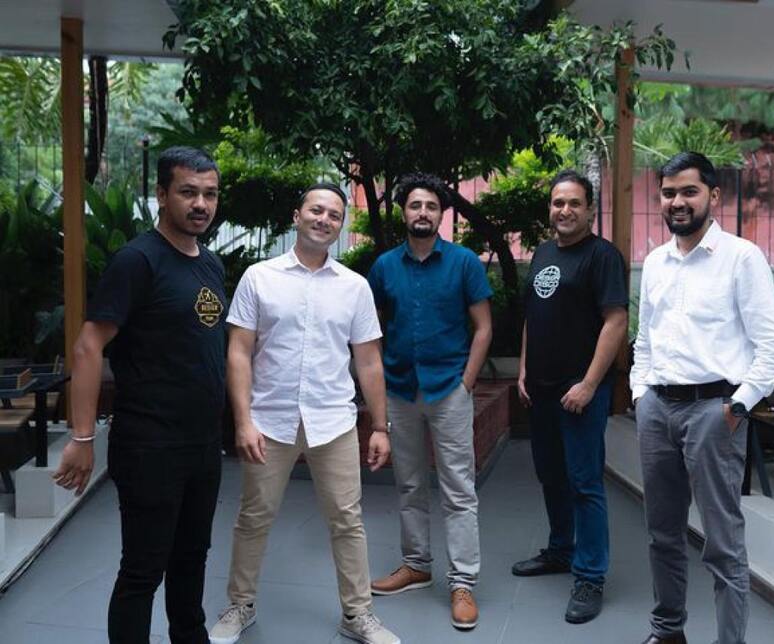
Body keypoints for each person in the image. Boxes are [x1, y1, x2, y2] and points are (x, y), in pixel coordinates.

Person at [208, 183, 399, 644]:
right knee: (254, 516)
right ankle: (240, 606)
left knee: (347, 520)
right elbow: (239, 352)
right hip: (268, 421)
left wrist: (380, 426)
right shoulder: (260, 277)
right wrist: (242, 421)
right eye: (316, 210)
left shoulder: (354, 287)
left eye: (334, 215)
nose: (324, 219)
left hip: (332, 420)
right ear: (297, 216)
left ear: (339, 226)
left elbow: (369, 360)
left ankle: (357, 615)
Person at [53, 147, 227, 644]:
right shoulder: (138, 260)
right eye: (188, 192)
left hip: (200, 444)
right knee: (144, 570)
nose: (201, 204)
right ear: (161, 195)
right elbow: (89, 346)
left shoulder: (209, 264)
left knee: (192, 558)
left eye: (209, 194)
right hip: (151, 444)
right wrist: (82, 437)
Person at [630, 152, 774, 644]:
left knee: (722, 544)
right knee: (662, 533)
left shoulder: (742, 259)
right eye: (669, 193)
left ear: (714, 196)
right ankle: (667, 630)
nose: (677, 202)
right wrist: (641, 393)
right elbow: (646, 340)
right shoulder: (656, 261)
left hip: (714, 411)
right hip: (658, 407)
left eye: (689, 192)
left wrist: (738, 405)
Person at [367, 172, 492, 631]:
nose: (423, 213)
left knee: (459, 490)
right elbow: (370, 332)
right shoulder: (384, 267)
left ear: (443, 214)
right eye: (415, 205)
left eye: (431, 207)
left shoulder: (463, 264)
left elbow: (483, 328)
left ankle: (463, 583)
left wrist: (467, 382)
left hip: (448, 390)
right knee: (409, 485)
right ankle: (416, 565)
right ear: (404, 211)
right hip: (400, 390)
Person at [512, 169, 629, 625]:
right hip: (539, 392)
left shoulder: (603, 257)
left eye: (574, 203)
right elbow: (533, 316)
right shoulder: (543, 252)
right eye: (558, 203)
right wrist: (523, 367)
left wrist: (589, 383)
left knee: (585, 484)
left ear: (589, 209)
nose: (564, 210)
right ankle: (560, 551)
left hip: (579, 394)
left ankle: (590, 576)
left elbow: (615, 321)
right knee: (551, 477)